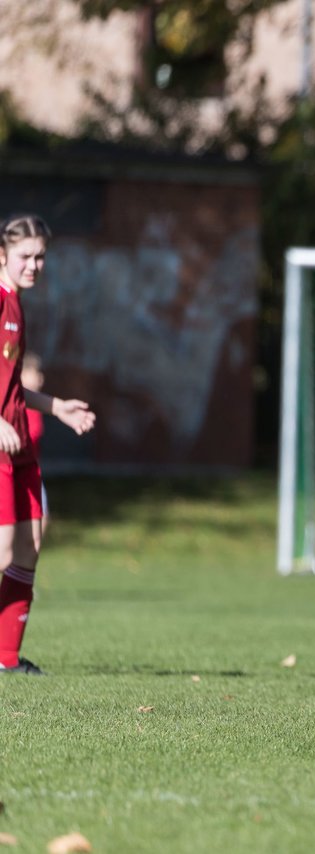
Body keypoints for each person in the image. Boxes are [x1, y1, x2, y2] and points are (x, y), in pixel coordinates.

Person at [0, 215, 96, 676]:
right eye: (25, 256)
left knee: (29, 545)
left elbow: (13, 385)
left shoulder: (18, 306)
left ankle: (6, 659)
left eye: (41, 257)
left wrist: (57, 407)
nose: (34, 265)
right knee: (1, 549)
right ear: (2, 254)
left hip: (20, 445)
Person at [22, 353, 48, 537]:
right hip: (17, 470)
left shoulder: (37, 405)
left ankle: (17, 563)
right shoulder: (19, 407)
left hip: (32, 469)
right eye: (33, 373)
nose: (40, 378)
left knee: (41, 520)